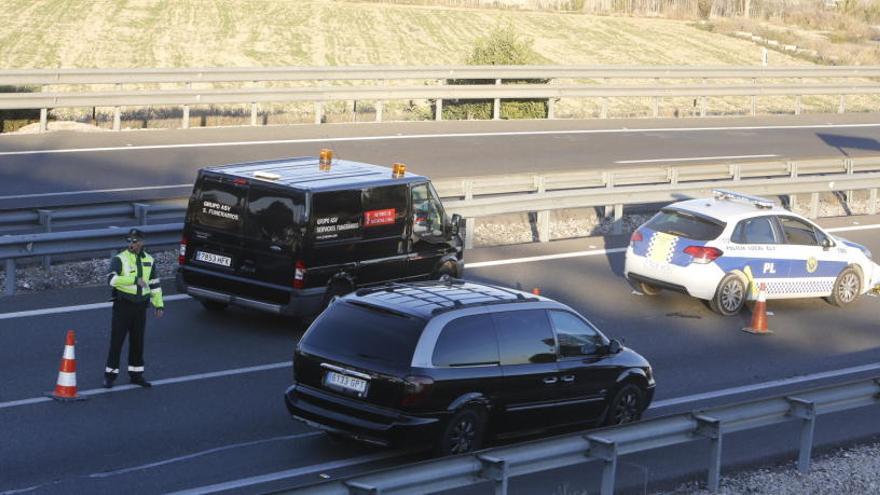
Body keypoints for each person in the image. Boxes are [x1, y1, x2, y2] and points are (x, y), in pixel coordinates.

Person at [103, 228, 164, 388]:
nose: (131, 244)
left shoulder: (149, 260)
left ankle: (136, 375)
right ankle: (110, 376)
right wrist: (133, 280)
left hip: (140, 309)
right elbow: (111, 280)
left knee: (137, 343)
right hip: (123, 306)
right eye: (129, 240)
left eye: (135, 241)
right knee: (117, 342)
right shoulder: (120, 259)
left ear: (142, 242)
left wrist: (158, 304)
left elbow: (154, 284)